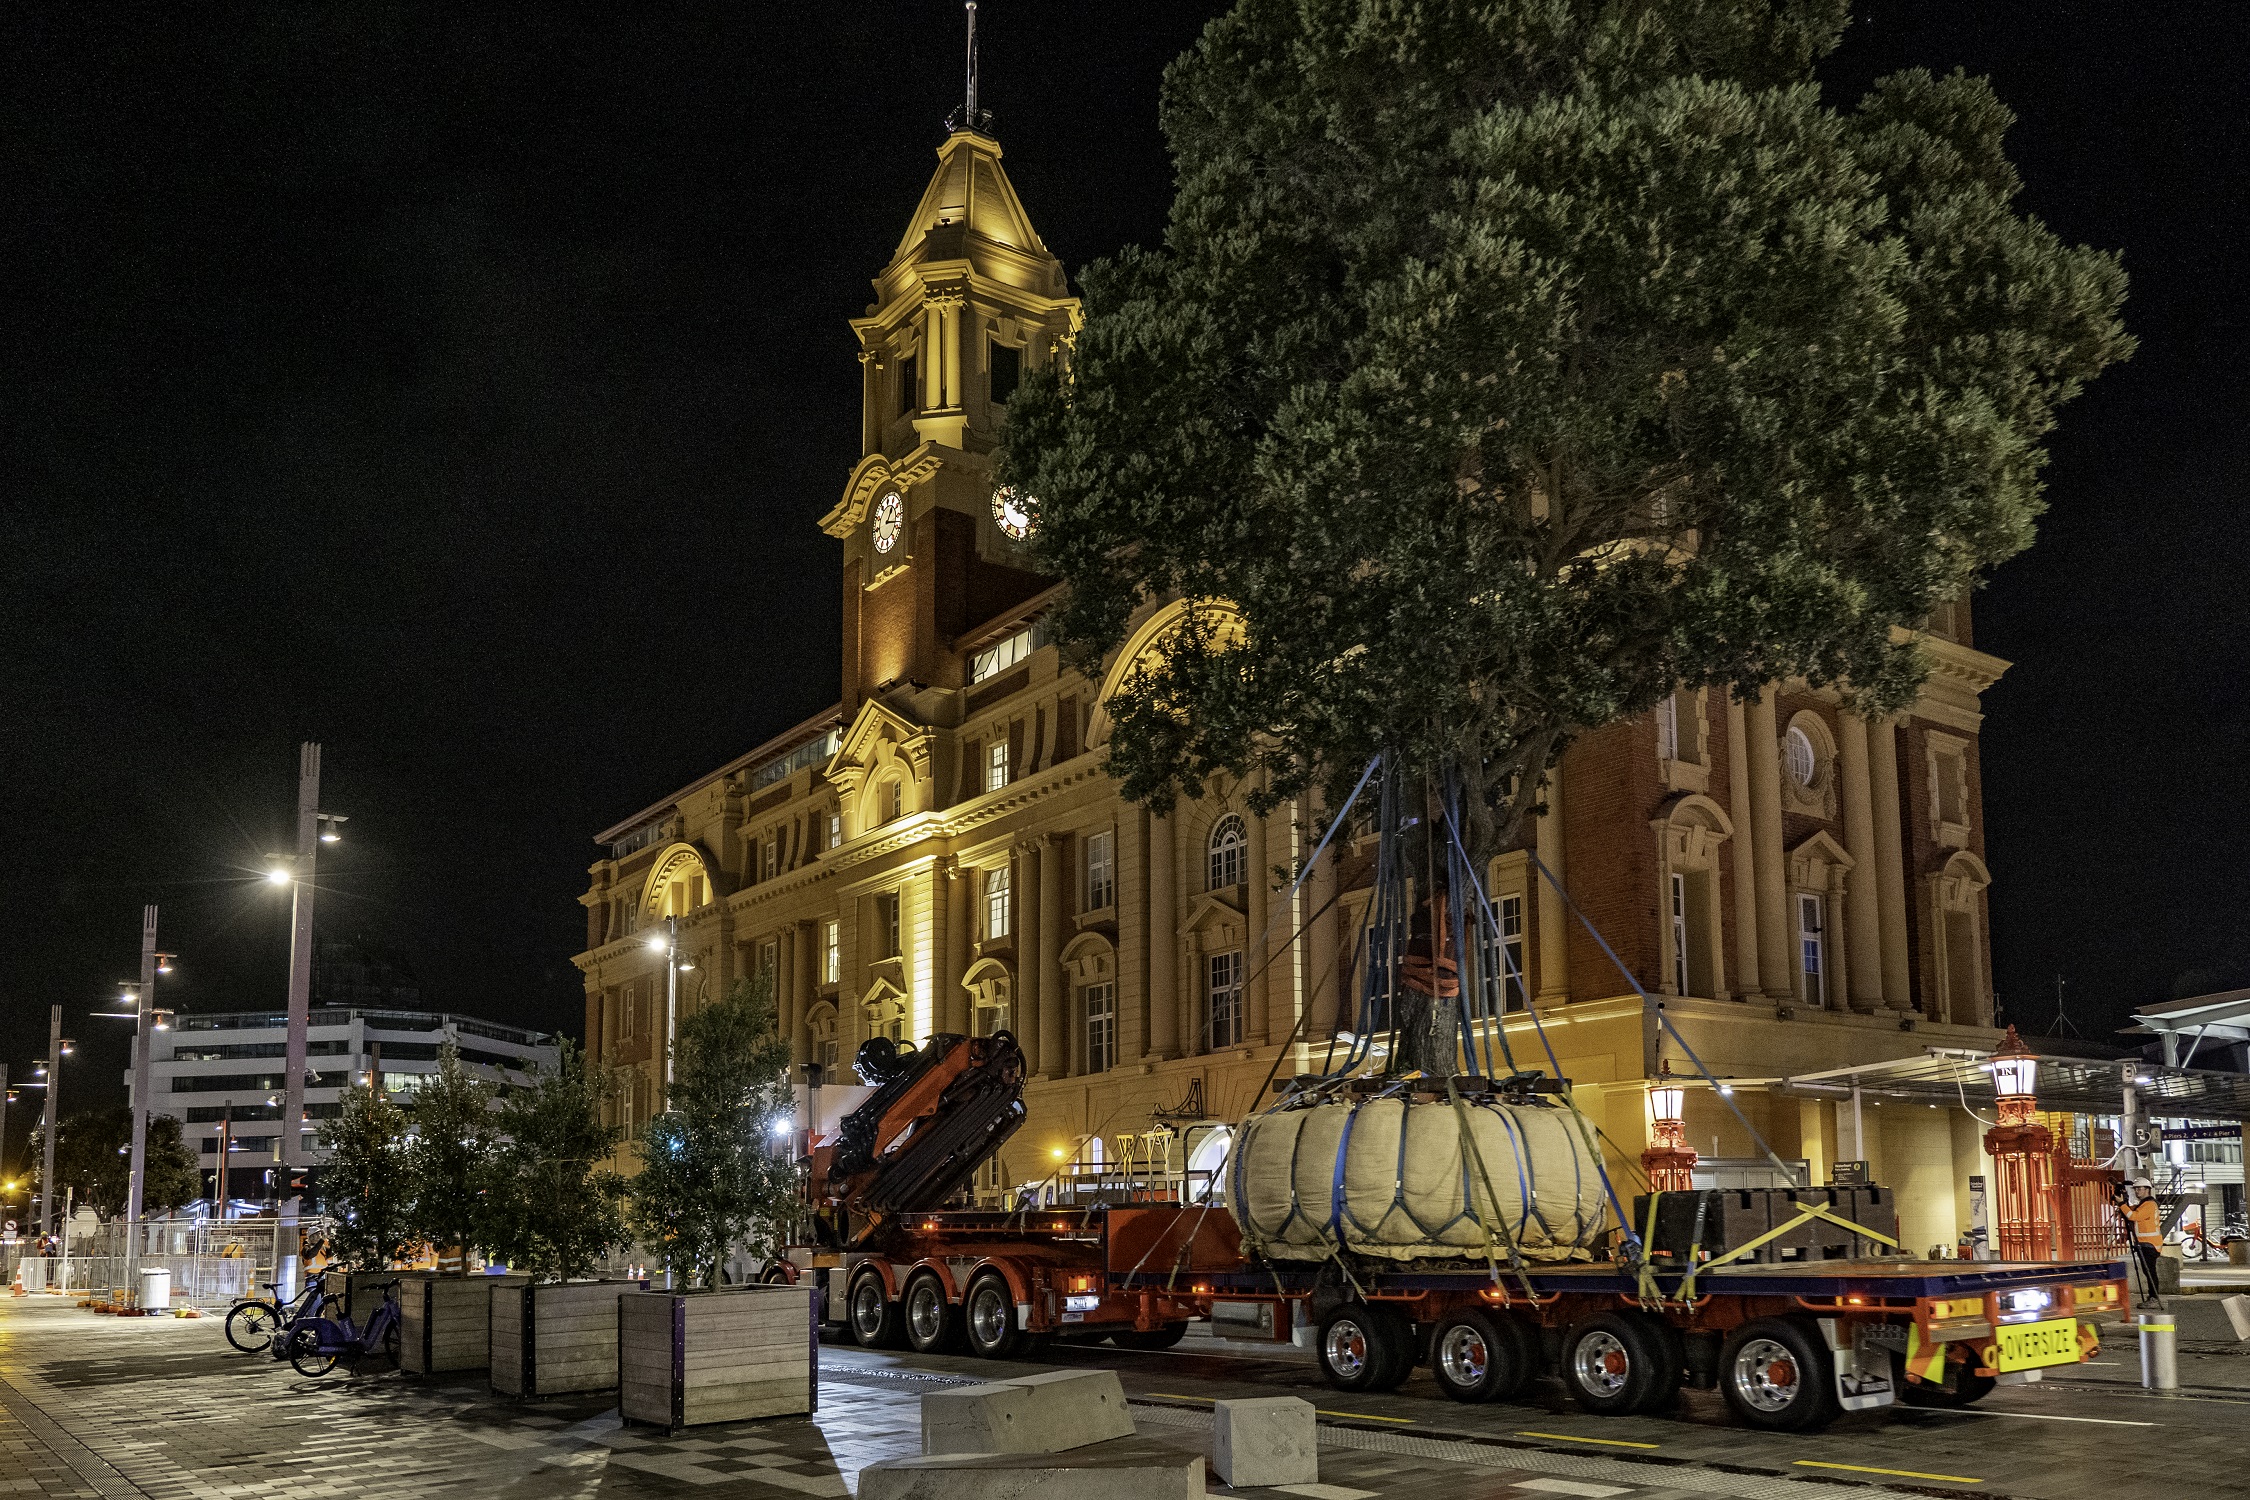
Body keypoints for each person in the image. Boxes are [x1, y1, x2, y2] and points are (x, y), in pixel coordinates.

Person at [2121, 1184, 2163, 1306]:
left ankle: (2154, 1298)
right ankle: (2152, 1297)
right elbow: (2129, 1211)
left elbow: (2133, 1216)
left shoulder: (2149, 1204)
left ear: (2147, 1190)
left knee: (2150, 1271)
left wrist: (2121, 1204)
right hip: (2145, 1243)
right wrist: (2123, 1201)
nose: (2137, 1191)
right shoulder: (2143, 1204)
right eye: (2135, 1189)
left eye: (2140, 1189)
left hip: (2150, 1244)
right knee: (2148, 1271)